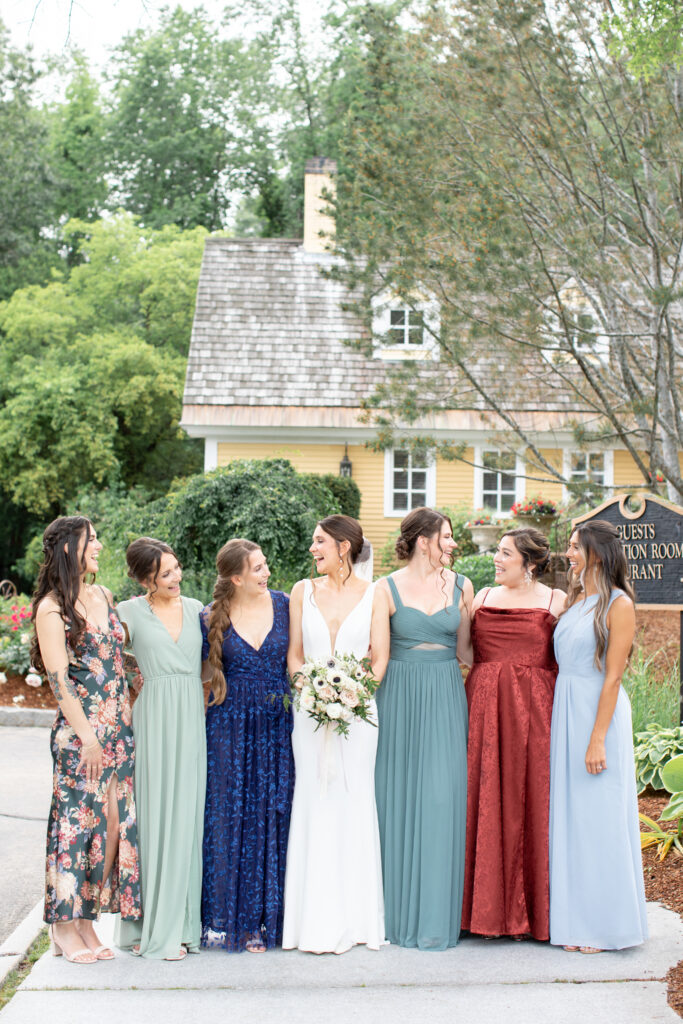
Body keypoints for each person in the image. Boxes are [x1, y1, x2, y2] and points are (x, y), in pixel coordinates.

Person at [32, 516, 140, 964]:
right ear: (67, 548)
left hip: (119, 731)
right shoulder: (52, 609)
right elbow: (60, 681)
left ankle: (87, 920)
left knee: (113, 826)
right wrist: (89, 739)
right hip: (82, 736)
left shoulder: (104, 595)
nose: (98, 545)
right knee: (76, 827)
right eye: (91, 539)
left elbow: (115, 657)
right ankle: (63, 925)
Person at [283, 514, 389, 954]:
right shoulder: (301, 591)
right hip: (309, 714)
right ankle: (310, 921)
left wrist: (350, 697)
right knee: (314, 799)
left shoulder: (375, 594)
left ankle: (358, 920)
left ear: (344, 546)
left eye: (320, 541)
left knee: (353, 799)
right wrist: (311, 692)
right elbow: (294, 656)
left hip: (358, 716)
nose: (313, 549)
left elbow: (379, 660)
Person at [374, 507, 472, 950]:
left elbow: (467, 653)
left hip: (446, 695)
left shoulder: (463, 585)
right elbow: (378, 658)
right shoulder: (385, 588)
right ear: (422, 540)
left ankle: (436, 917)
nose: (452, 543)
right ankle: (393, 917)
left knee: (441, 798)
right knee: (394, 797)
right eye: (446, 536)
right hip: (397, 697)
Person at [461, 527, 565, 941]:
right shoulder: (482, 597)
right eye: (498, 551)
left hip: (535, 713)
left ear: (531, 562)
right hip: (484, 710)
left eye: (505, 553)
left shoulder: (557, 601)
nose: (496, 559)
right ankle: (481, 912)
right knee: (482, 798)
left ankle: (531, 913)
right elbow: (465, 652)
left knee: (531, 801)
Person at [550, 520, 647, 952]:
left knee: (599, 817)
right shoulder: (576, 600)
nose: (569, 554)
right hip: (566, 711)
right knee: (574, 818)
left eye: (576, 547)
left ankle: (607, 927)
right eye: (569, 546)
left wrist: (597, 738)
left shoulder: (618, 604)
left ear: (598, 553)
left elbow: (613, 677)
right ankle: (576, 922)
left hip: (598, 714)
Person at [201, 539, 293, 952]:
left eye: (265, 564)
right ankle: (232, 919)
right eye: (257, 568)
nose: (266, 572)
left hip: (277, 724)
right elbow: (199, 677)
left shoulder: (287, 605)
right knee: (230, 817)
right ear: (236, 578)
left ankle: (269, 920)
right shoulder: (209, 617)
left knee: (275, 813)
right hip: (229, 728)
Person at [115, 538, 206, 960]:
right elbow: (105, 659)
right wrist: (130, 686)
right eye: (165, 573)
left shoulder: (197, 609)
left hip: (191, 718)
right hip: (151, 719)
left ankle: (181, 926)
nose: (176, 577)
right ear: (144, 579)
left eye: (176, 568)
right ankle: (147, 925)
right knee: (151, 819)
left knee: (186, 817)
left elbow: (211, 663)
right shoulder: (128, 613)